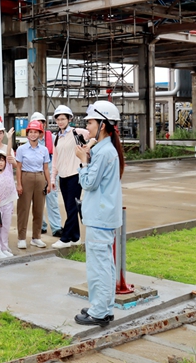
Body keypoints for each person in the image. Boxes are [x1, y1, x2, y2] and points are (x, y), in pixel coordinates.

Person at [73, 101, 124, 327]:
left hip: (100, 216)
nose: (88, 127)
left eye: (91, 122)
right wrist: (89, 152)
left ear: (102, 125)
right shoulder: (105, 149)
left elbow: (89, 183)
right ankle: (104, 307)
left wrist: (83, 162)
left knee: (98, 266)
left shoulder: (104, 152)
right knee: (105, 264)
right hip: (102, 215)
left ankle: (100, 311)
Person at [51, 105, 91, 249]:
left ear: (69, 119)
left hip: (75, 175)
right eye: (58, 119)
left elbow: (94, 136)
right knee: (69, 208)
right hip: (62, 176)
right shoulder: (57, 137)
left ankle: (65, 238)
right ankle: (75, 237)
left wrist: (88, 147)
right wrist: (53, 178)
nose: (60, 122)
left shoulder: (78, 132)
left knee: (72, 207)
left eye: (63, 119)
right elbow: (55, 159)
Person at [15, 120, 51, 250]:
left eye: (36, 132)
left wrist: (49, 183)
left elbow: (46, 168)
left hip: (40, 178)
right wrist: (19, 184)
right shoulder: (21, 149)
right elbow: (18, 167)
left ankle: (36, 237)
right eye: (31, 132)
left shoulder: (44, 150)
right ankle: (21, 238)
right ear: (27, 133)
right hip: (26, 177)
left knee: (39, 209)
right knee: (23, 209)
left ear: (40, 134)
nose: (33, 134)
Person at [32, 112, 61, 236]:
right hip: (36, 174)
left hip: (51, 173)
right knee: (37, 202)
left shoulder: (53, 138)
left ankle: (56, 228)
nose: (40, 125)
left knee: (52, 200)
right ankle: (41, 226)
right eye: (37, 122)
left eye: (42, 122)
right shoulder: (30, 140)